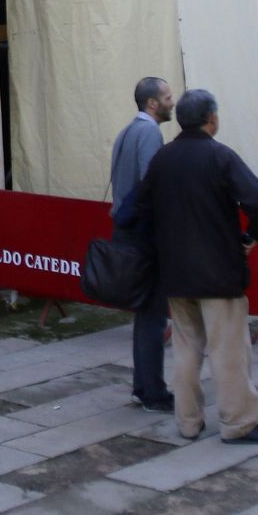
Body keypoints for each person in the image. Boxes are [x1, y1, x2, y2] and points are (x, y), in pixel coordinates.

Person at [131, 89, 258, 444]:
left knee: (186, 349)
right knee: (228, 350)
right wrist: (251, 237)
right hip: (218, 270)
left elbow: (142, 208)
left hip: (177, 271)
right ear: (211, 118)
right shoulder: (220, 156)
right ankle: (238, 422)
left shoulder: (163, 159)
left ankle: (188, 421)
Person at [108, 77, 175, 412]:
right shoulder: (149, 133)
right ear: (152, 103)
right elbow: (154, 185)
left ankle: (143, 386)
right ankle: (152, 390)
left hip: (127, 230)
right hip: (144, 236)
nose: (171, 102)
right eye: (166, 97)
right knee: (152, 315)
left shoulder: (126, 132)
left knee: (145, 314)